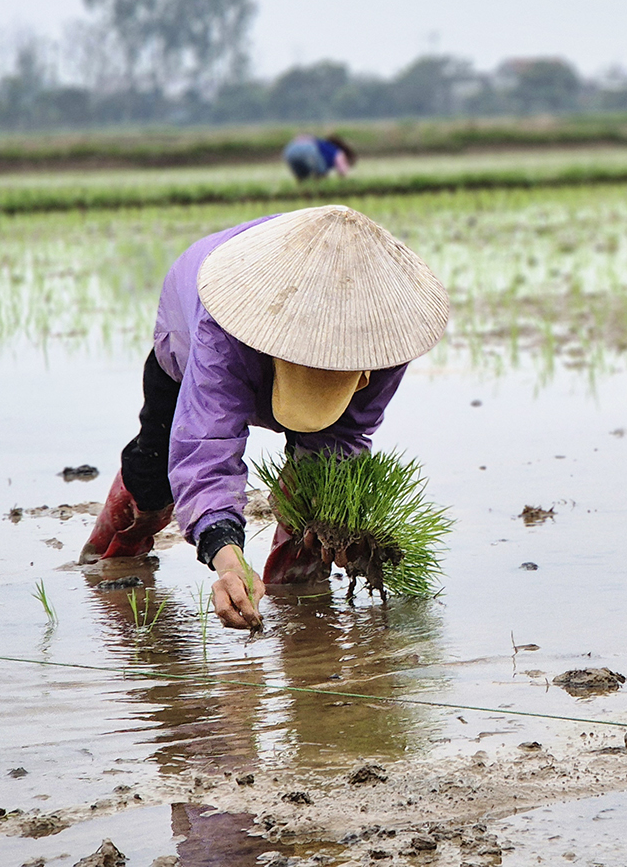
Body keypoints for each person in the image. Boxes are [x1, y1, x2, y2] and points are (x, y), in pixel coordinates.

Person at [79, 204, 450, 630]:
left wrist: (336, 532)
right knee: (155, 472)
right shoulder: (221, 330)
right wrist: (228, 558)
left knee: (321, 475)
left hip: (314, 330)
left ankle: (293, 586)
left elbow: (347, 435)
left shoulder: (387, 335)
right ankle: (109, 557)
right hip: (194, 326)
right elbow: (206, 447)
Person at [283, 134, 356, 181]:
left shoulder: (322, 143)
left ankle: (303, 193)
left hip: (290, 150)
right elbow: (342, 171)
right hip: (309, 150)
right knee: (321, 175)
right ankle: (319, 192)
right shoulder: (337, 152)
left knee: (302, 178)